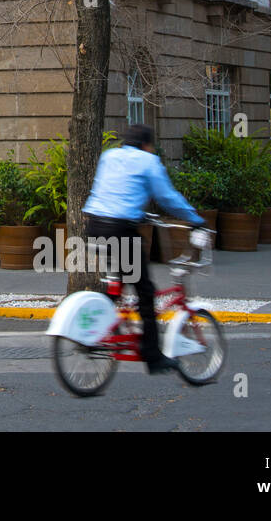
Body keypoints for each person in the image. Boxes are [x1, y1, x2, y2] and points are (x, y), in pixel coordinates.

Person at [82, 123, 206, 374]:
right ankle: (154, 357)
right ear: (147, 145)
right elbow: (167, 197)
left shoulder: (109, 156)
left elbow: (110, 192)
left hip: (94, 226)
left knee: (118, 284)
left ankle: (95, 327)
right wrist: (195, 219)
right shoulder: (149, 161)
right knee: (146, 293)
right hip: (121, 229)